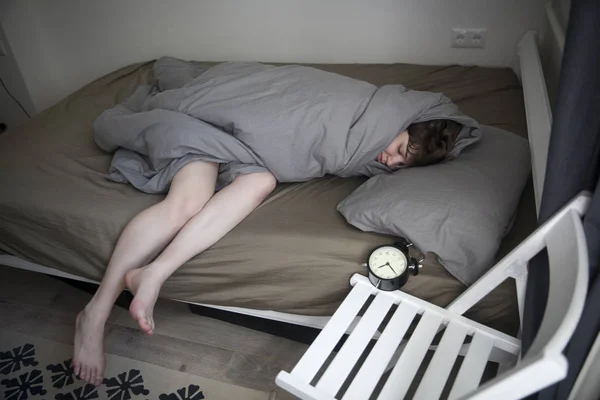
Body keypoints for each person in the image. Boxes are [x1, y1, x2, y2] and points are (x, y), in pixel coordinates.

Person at [72, 117, 462, 386]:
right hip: (211, 129)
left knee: (262, 181)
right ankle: (96, 313)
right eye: (396, 148)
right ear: (398, 127)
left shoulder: (368, 150)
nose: (388, 159)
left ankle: (154, 272)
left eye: (398, 163)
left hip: (248, 155)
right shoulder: (368, 117)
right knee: (187, 205)